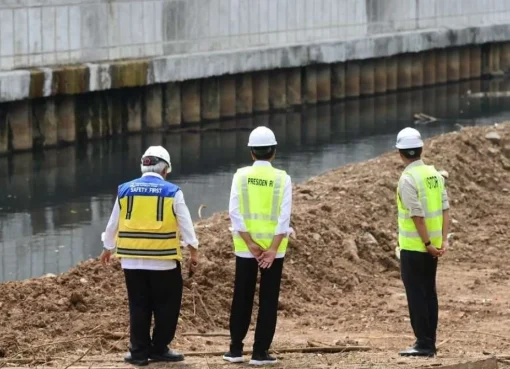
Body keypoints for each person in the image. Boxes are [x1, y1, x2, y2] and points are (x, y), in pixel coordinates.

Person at [100, 146, 199, 366]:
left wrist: (108, 247)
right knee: (167, 307)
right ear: (165, 170)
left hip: (131, 260)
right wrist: (193, 252)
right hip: (163, 261)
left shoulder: (125, 190)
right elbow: (186, 224)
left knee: (138, 305)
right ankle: (159, 348)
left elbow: (113, 223)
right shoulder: (172, 192)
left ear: (144, 166)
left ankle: (138, 353)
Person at [223, 126, 293, 366]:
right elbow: (284, 218)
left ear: (251, 152)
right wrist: (272, 248)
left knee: (241, 296)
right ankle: (260, 352)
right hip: (274, 250)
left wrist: (250, 243)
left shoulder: (240, 176)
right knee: (268, 299)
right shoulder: (283, 178)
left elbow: (234, 212)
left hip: (245, 248)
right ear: (273, 152)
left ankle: (235, 350)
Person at [395, 128, 450, 357]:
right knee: (429, 293)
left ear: (400, 153)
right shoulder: (434, 174)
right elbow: (445, 209)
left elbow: (416, 215)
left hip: (416, 247)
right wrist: (442, 241)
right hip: (433, 247)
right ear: (421, 149)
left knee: (417, 294)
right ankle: (430, 340)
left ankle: (423, 343)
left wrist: (426, 242)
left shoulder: (408, 179)